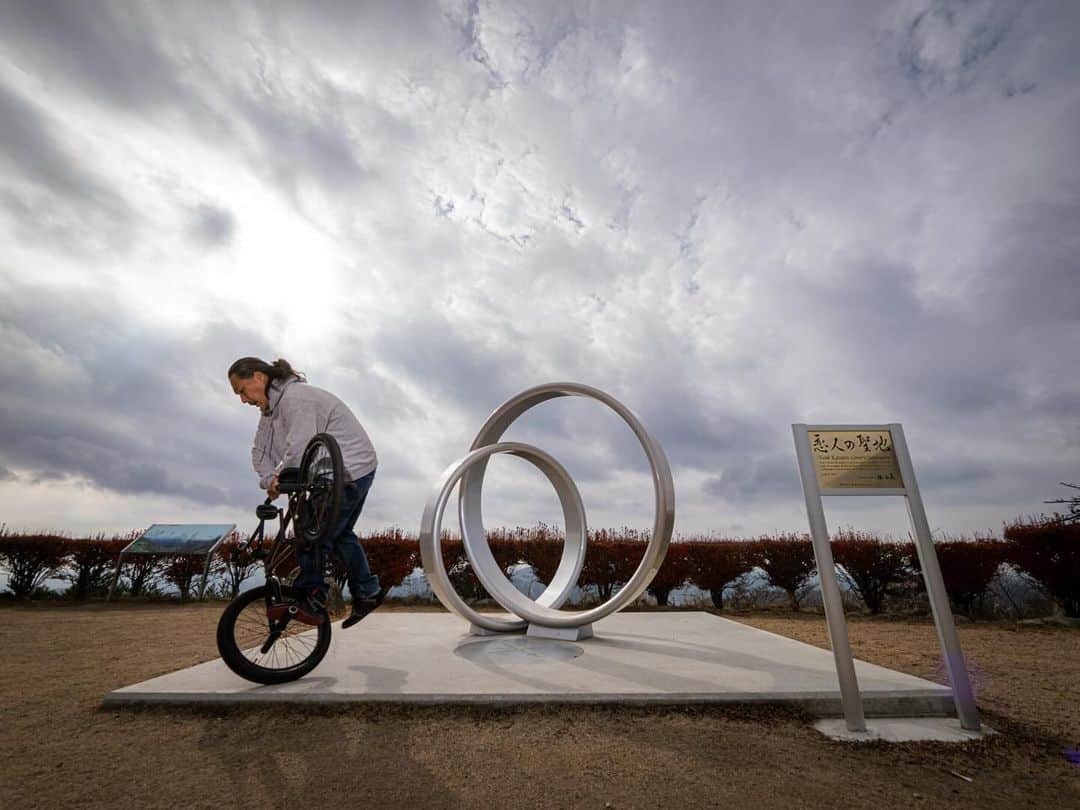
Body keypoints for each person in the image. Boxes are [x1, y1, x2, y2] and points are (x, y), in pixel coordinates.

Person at [228, 356, 386, 628]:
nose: (242, 400)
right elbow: (261, 451)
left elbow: (299, 449)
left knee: (314, 535)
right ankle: (368, 591)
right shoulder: (271, 411)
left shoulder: (295, 399)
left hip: (349, 469)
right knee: (337, 534)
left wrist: (284, 478)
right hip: (331, 472)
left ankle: (312, 595)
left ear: (259, 377)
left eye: (241, 390)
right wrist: (269, 480)